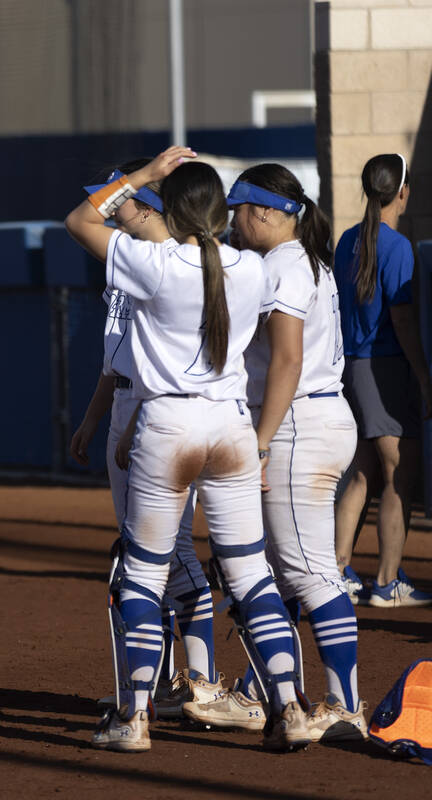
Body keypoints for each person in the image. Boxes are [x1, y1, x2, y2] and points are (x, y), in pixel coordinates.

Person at [65, 147, 308, 753]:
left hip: (168, 423)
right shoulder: (251, 268)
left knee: (142, 576)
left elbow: (79, 222)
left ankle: (135, 718)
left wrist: (142, 176)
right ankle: (289, 708)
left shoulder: (156, 263)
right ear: (223, 213)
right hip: (231, 426)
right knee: (252, 574)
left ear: (169, 210)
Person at [185, 163, 364, 741]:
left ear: (264, 210)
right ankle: (258, 690)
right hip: (318, 416)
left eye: (238, 211)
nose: (233, 222)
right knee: (287, 574)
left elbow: (286, 360)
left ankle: (344, 705)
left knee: (308, 573)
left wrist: (258, 444)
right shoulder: (304, 258)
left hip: (295, 423)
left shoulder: (283, 263)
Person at [68, 161, 223, 718]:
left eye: (118, 202)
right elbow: (117, 361)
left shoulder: (173, 265)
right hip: (129, 404)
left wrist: (134, 419)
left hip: (165, 413)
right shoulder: (127, 266)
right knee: (143, 551)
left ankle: (201, 678)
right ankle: (155, 683)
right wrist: (95, 417)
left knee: (168, 552)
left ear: (150, 206)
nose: (108, 209)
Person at [332, 153, 432, 608]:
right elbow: (404, 321)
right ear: (403, 192)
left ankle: (338, 571)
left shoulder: (347, 240)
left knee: (362, 475)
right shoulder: (397, 247)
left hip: (351, 369)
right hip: (384, 369)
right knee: (398, 476)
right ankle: (387, 583)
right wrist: (425, 379)